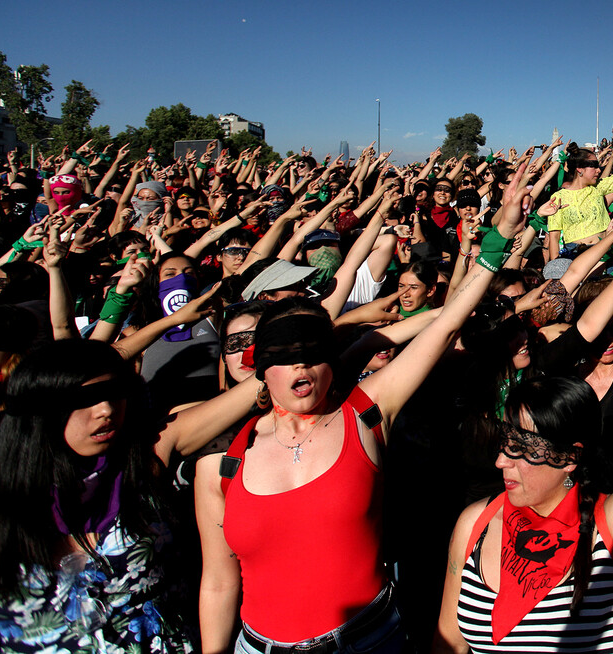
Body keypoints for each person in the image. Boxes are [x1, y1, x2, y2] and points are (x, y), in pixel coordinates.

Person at [196, 166, 533, 654]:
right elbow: (219, 584)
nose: (301, 370)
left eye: (312, 356)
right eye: (285, 361)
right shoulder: (219, 466)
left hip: (369, 641)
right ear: (259, 371)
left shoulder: (366, 412)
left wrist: (499, 236)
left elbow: (445, 324)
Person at [434, 236, 613, 653]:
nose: (502, 459)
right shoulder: (474, 523)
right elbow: (448, 640)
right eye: (506, 441)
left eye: (523, 447)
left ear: (570, 456)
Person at [0, 339, 258, 652]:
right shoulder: (6, 496)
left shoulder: (140, 463)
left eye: (114, 392)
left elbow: (240, 398)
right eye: (85, 399)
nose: (105, 410)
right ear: (42, 408)